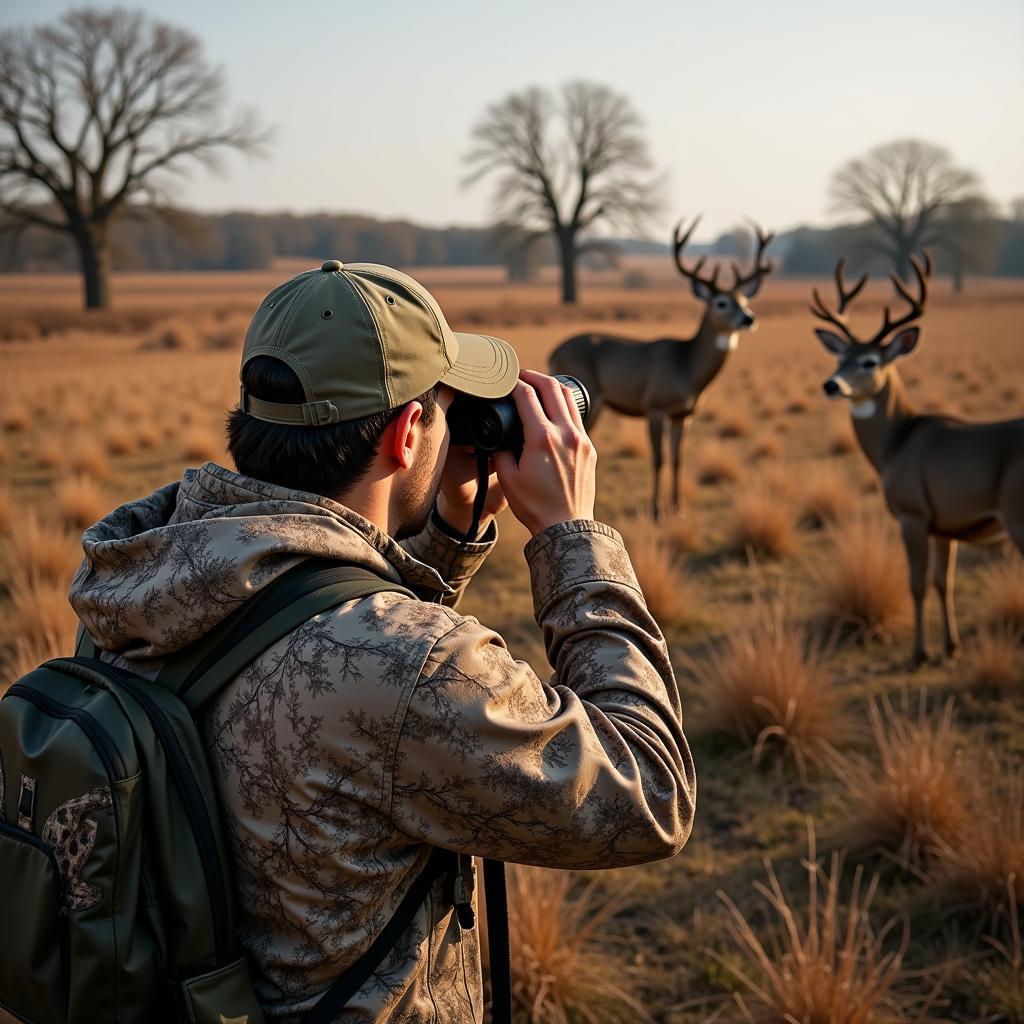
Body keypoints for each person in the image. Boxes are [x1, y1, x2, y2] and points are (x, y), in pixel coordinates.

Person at [69, 260, 697, 1023]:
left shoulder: (141, 575)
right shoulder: (414, 668)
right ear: (407, 434)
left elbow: (331, 647)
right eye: (443, 407)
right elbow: (649, 794)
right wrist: (570, 538)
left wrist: (445, 539)